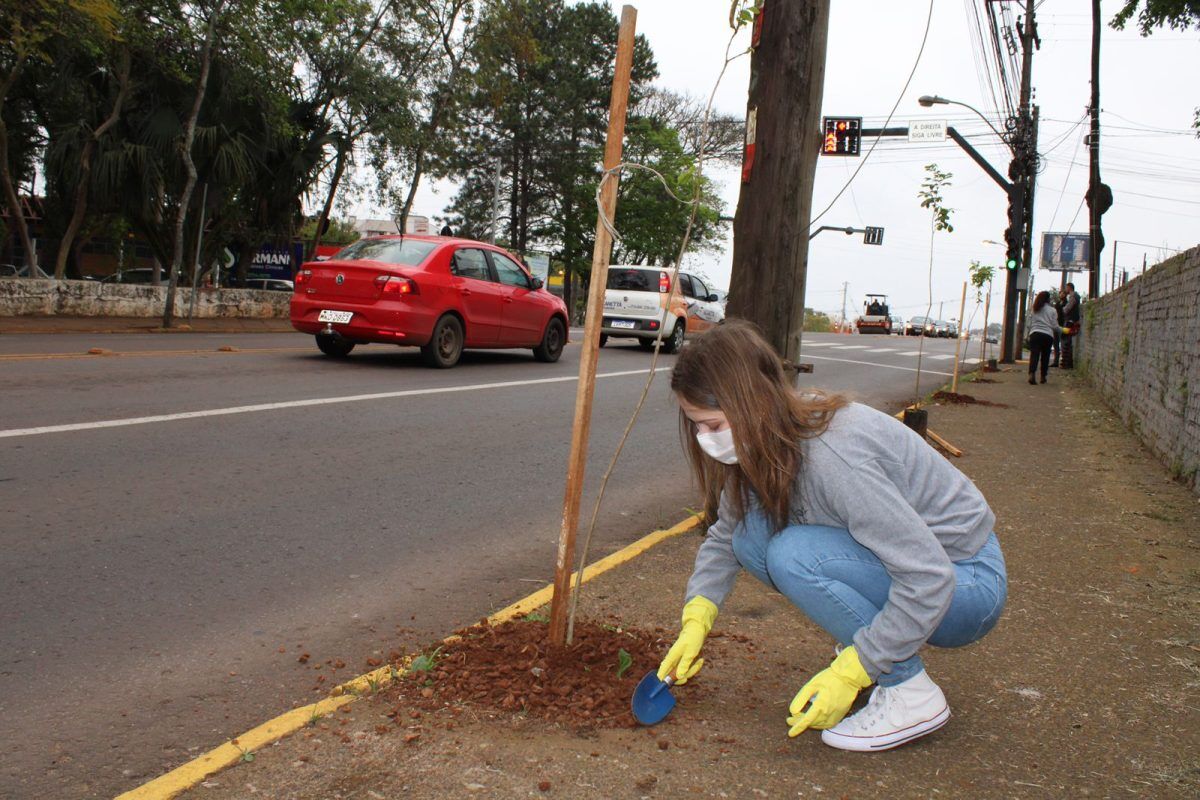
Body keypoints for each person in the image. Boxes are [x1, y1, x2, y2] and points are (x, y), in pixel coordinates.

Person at [658, 320, 1007, 752]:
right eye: (696, 427)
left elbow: (930, 576)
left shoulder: (836, 457)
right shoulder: (763, 440)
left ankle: (910, 694)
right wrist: (697, 617)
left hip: (966, 582)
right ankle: (875, 644)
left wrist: (854, 670)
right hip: (917, 570)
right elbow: (726, 535)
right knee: (750, 537)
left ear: (751, 404)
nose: (705, 440)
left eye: (712, 425)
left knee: (793, 556)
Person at [1026, 291, 1059, 385]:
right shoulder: (1052, 310)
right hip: (1047, 335)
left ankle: (1032, 374)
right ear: (1048, 299)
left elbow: (1029, 323)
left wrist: (1028, 334)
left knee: (1034, 355)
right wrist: (1065, 330)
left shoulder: (1035, 309)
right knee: (1045, 356)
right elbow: (1055, 326)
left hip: (1035, 334)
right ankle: (1043, 377)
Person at [1060, 282, 1080, 369]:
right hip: (1071, 321)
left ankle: (1065, 363)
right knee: (1067, 340)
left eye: (1066, 288)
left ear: (1069, 288)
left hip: (1070, 321)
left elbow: (1068, 308)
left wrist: (1062, 309)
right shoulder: (1075, 296)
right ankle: (1067, 362)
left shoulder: (1073, 296)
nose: (1066, 290)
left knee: (1065, 340)